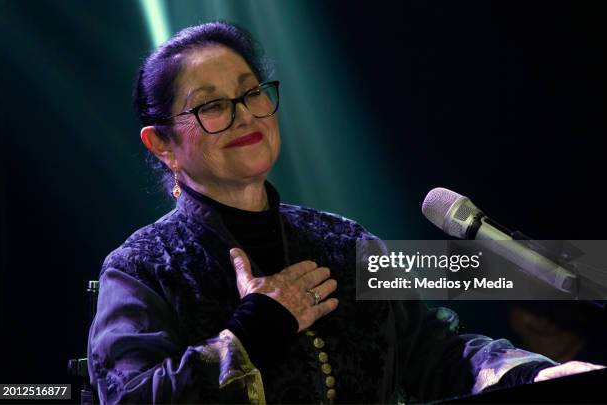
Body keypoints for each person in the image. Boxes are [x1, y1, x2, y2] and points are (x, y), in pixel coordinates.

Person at [87, 21, 603, 404]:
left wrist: (534, 374)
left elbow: (435, 353)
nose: (245, 113)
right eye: (212, 105)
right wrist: (250, 335)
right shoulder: (142, 267)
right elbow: (128, 398)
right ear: (162, 145)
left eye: (250, 92)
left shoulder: (343, 242)